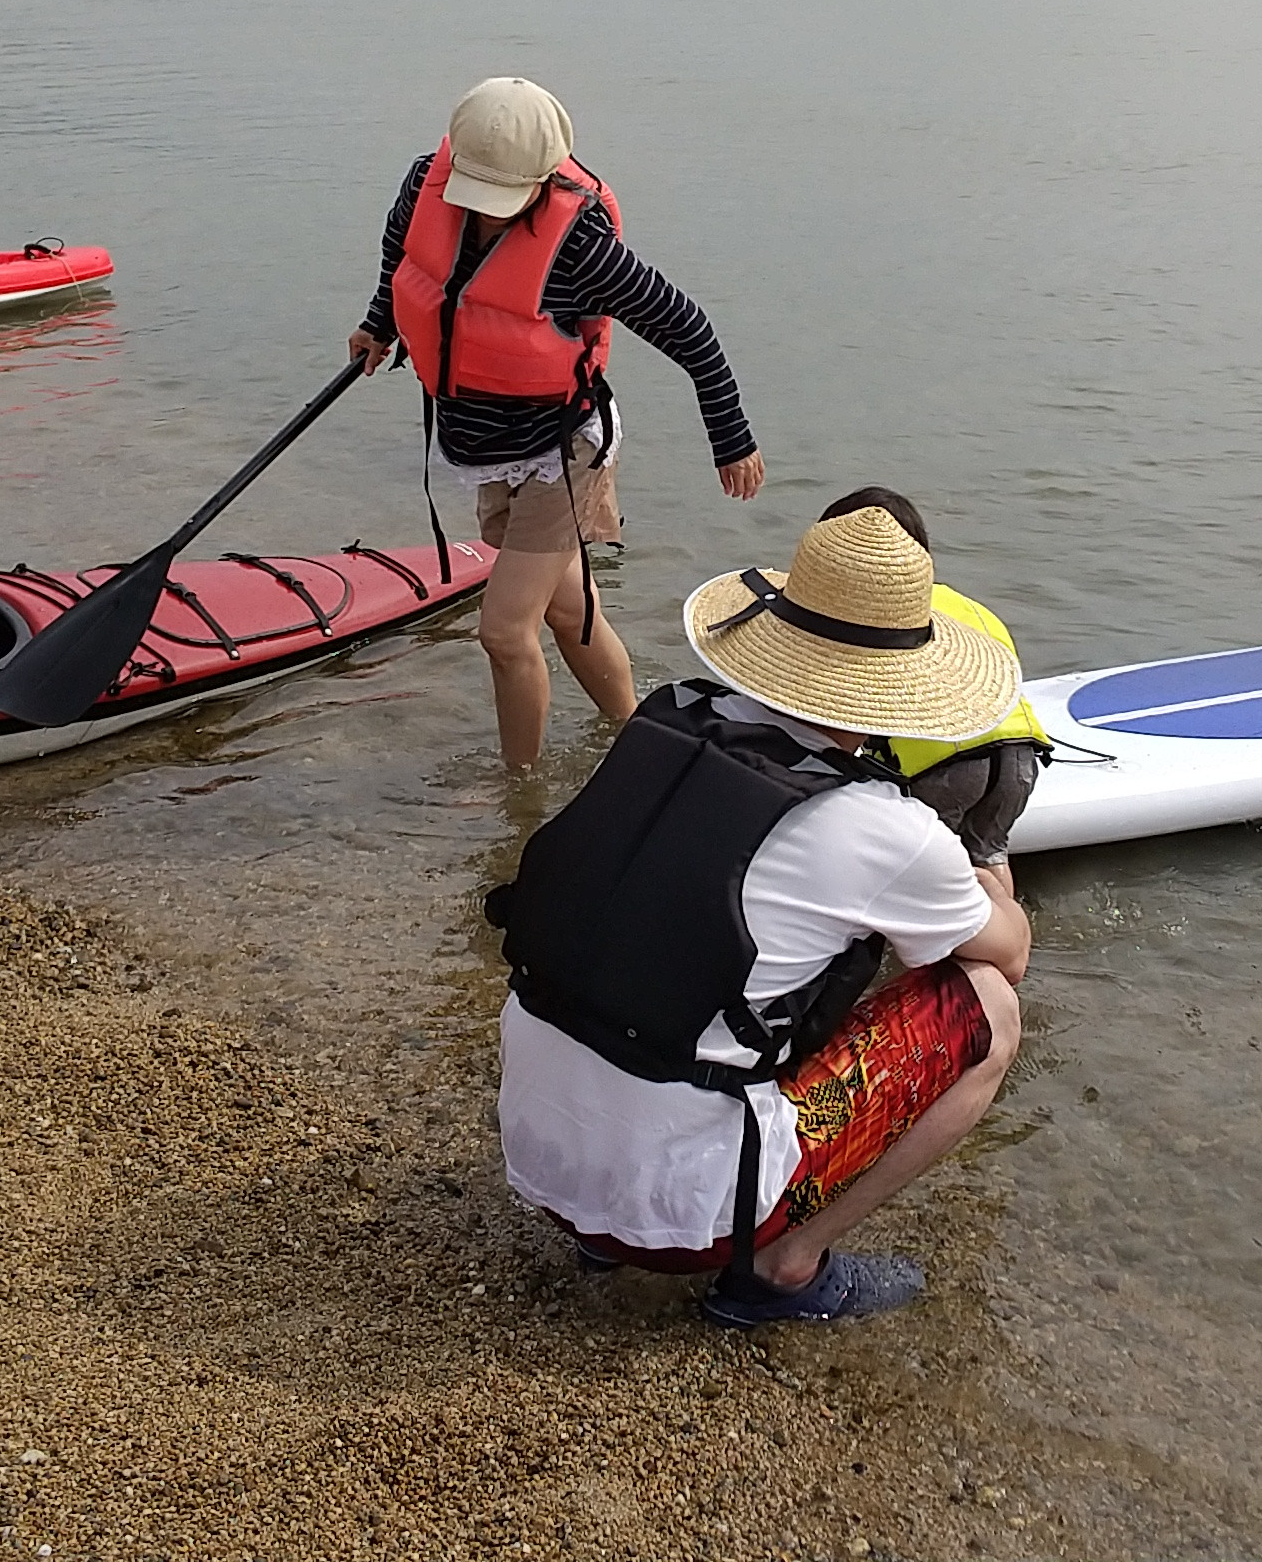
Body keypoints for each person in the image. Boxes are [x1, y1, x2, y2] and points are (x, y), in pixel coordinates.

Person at [488, 507, 1030, 1326]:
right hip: (683, 1216)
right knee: (990, 1005)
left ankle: (601, 1233)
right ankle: (784, 1265)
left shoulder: (662, 722)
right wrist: (983, 854)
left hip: (536, 1156)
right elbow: (1009, 950)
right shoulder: (885, 825)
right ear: (901, 682)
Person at [347, 78, 765, 767]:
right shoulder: (425, 182)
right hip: (484, 445)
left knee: (504, 633)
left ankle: (521, 802)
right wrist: (376, 325)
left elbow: (688, 327)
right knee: (566, 611)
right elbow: (405, 258)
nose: (485, 216)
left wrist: (732, 438)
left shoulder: (580, 248)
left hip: (563, 449)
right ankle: (637, 737)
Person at [815, 487, 1049, 864]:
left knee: (920, 868)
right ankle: (1015, 921)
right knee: (990, 855)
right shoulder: (971, 606)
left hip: (948, 765)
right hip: (1019, 757)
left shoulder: (879, 616)